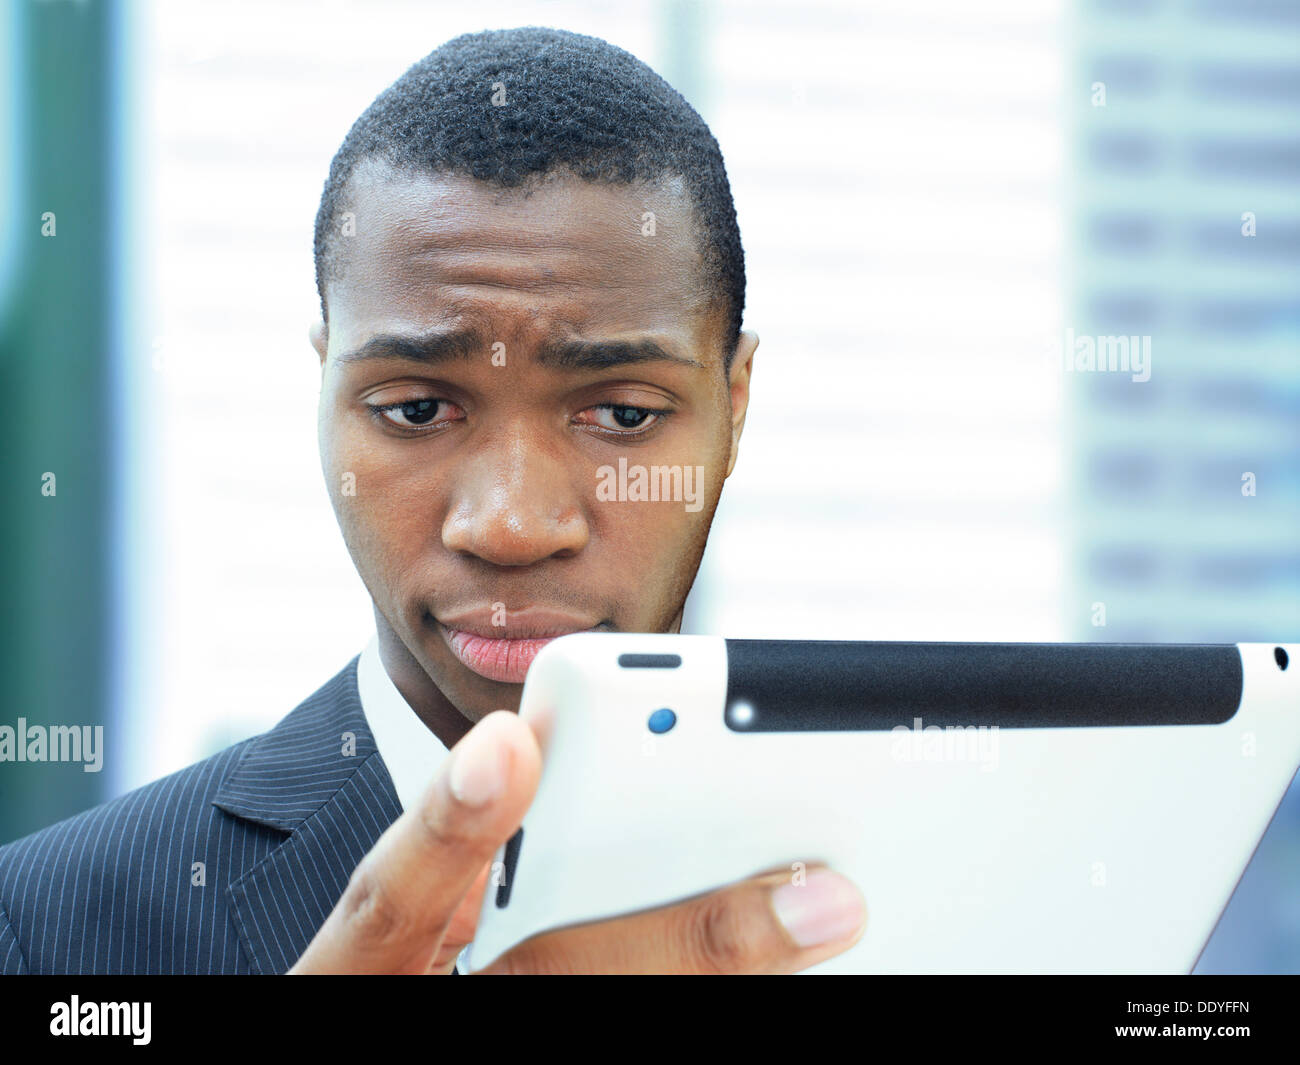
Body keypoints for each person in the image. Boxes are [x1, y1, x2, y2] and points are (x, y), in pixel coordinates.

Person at [0, 26, 866, 975]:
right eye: (417, 408)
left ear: (733, 410)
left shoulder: (907, 887)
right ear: (326, 389)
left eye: (621, 411)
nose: (509, 524)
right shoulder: (47, 929)